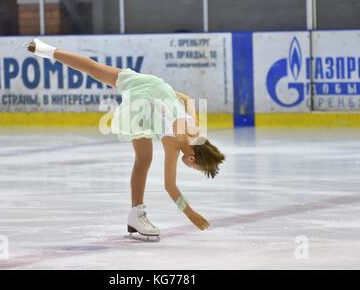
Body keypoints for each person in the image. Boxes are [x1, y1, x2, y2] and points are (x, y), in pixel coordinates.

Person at [27, 38, 225, 241]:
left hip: (152, 84)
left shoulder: (196, 127)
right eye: (195, 168)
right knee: (144, 159)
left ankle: (44, 49)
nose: (191, 168)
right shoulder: (174, 144)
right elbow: (170, 186)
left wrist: (165, 94)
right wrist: (190, 213)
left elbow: (188, 100)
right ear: (192, 159)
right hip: (142, 103)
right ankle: (136, 214)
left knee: (93, 68)